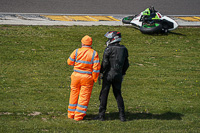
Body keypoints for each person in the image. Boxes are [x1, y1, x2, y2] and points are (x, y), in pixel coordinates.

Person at [94, 31, 129, 122]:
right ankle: (122, 116)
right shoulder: (124, 49)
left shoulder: (109, 49)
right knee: (118, 94)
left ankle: (101, 115)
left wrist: (101, 72)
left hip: (108, 74)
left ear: (113, 38)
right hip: (118, 74)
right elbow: (127, 64)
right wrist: (122, 73)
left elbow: (105, 63)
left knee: (104, 94)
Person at [67, 35, 101, 121]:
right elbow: (96, 68)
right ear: (90, 44)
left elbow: (69, 62)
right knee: (84, 96)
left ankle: (71, 114)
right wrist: (95, 78)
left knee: (73, 94)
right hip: (87, 78)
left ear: (82, 43)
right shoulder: (94, 53)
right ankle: (78, 116)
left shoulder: (76, 51)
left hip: (75, 76)